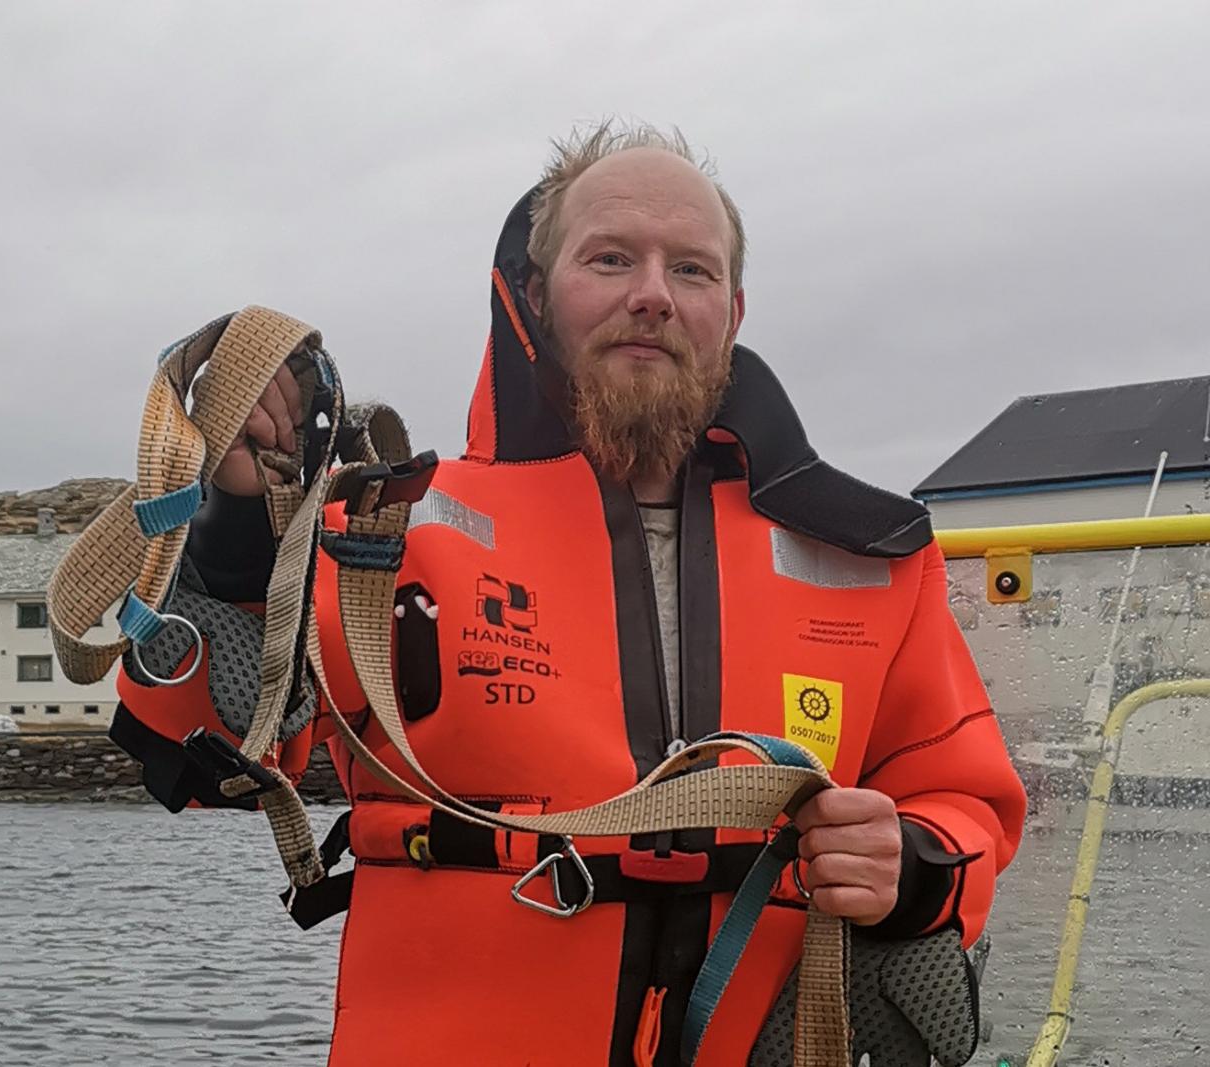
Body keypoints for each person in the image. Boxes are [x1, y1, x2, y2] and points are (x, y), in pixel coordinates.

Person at [108, 122, 1027, 1066]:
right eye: (612, 258)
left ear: (734, 312)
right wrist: (230, 537)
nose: (653, 296)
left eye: (693, 271)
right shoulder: (389, 533)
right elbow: (207, 760)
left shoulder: (869, 558)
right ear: (537, 300)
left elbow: (969, 806)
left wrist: (908, 867)